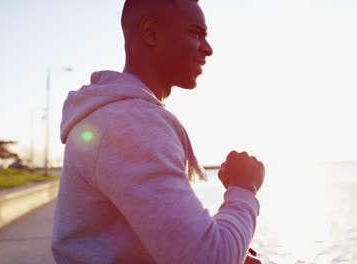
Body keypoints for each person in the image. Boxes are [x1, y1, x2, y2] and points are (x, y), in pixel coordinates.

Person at [51, 0, 265, 263]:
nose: (208, 49)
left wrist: (232, 247)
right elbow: (208, 259)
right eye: (196, 33)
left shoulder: (117, 115)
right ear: (151, 32)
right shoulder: (132, 123)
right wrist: (244, 187)